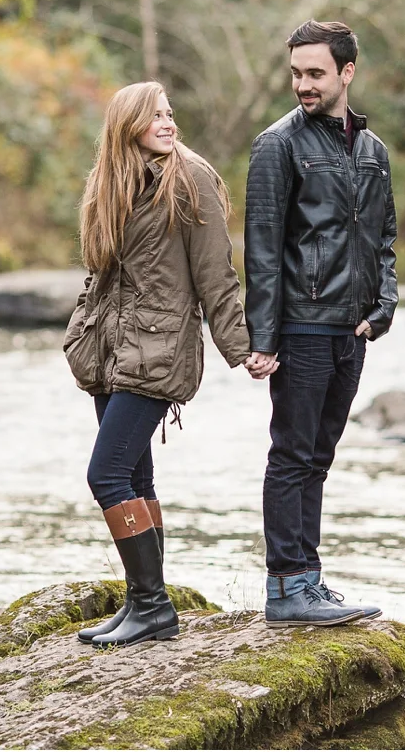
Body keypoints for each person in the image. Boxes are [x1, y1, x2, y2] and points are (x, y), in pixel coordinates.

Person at [64, 80, 260, 648]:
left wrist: (241, 348)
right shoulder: (111, 181)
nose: (169, 123)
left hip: (157, 350)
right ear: (127, 126)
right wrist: (82, 329)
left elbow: (216, 273)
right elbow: (101, 272)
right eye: (156, 115)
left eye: (170, 113)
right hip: (108, 348)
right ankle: (142, 603)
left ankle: (153, 605)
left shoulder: (190, 179)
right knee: (135, 477)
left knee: (105, 475)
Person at [243, 19, 399, 628]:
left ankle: (308, 579)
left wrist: (383, 308)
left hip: (352, 330)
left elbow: (384, 240)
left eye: (315, 73)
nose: (303, 84)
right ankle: (285, 587)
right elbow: (261, 249)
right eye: (296, 74)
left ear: (347, 72)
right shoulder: (277, 145)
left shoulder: (373, 151)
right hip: (302, 326)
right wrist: (263, 339)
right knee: (292, 456)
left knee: (319, 458)